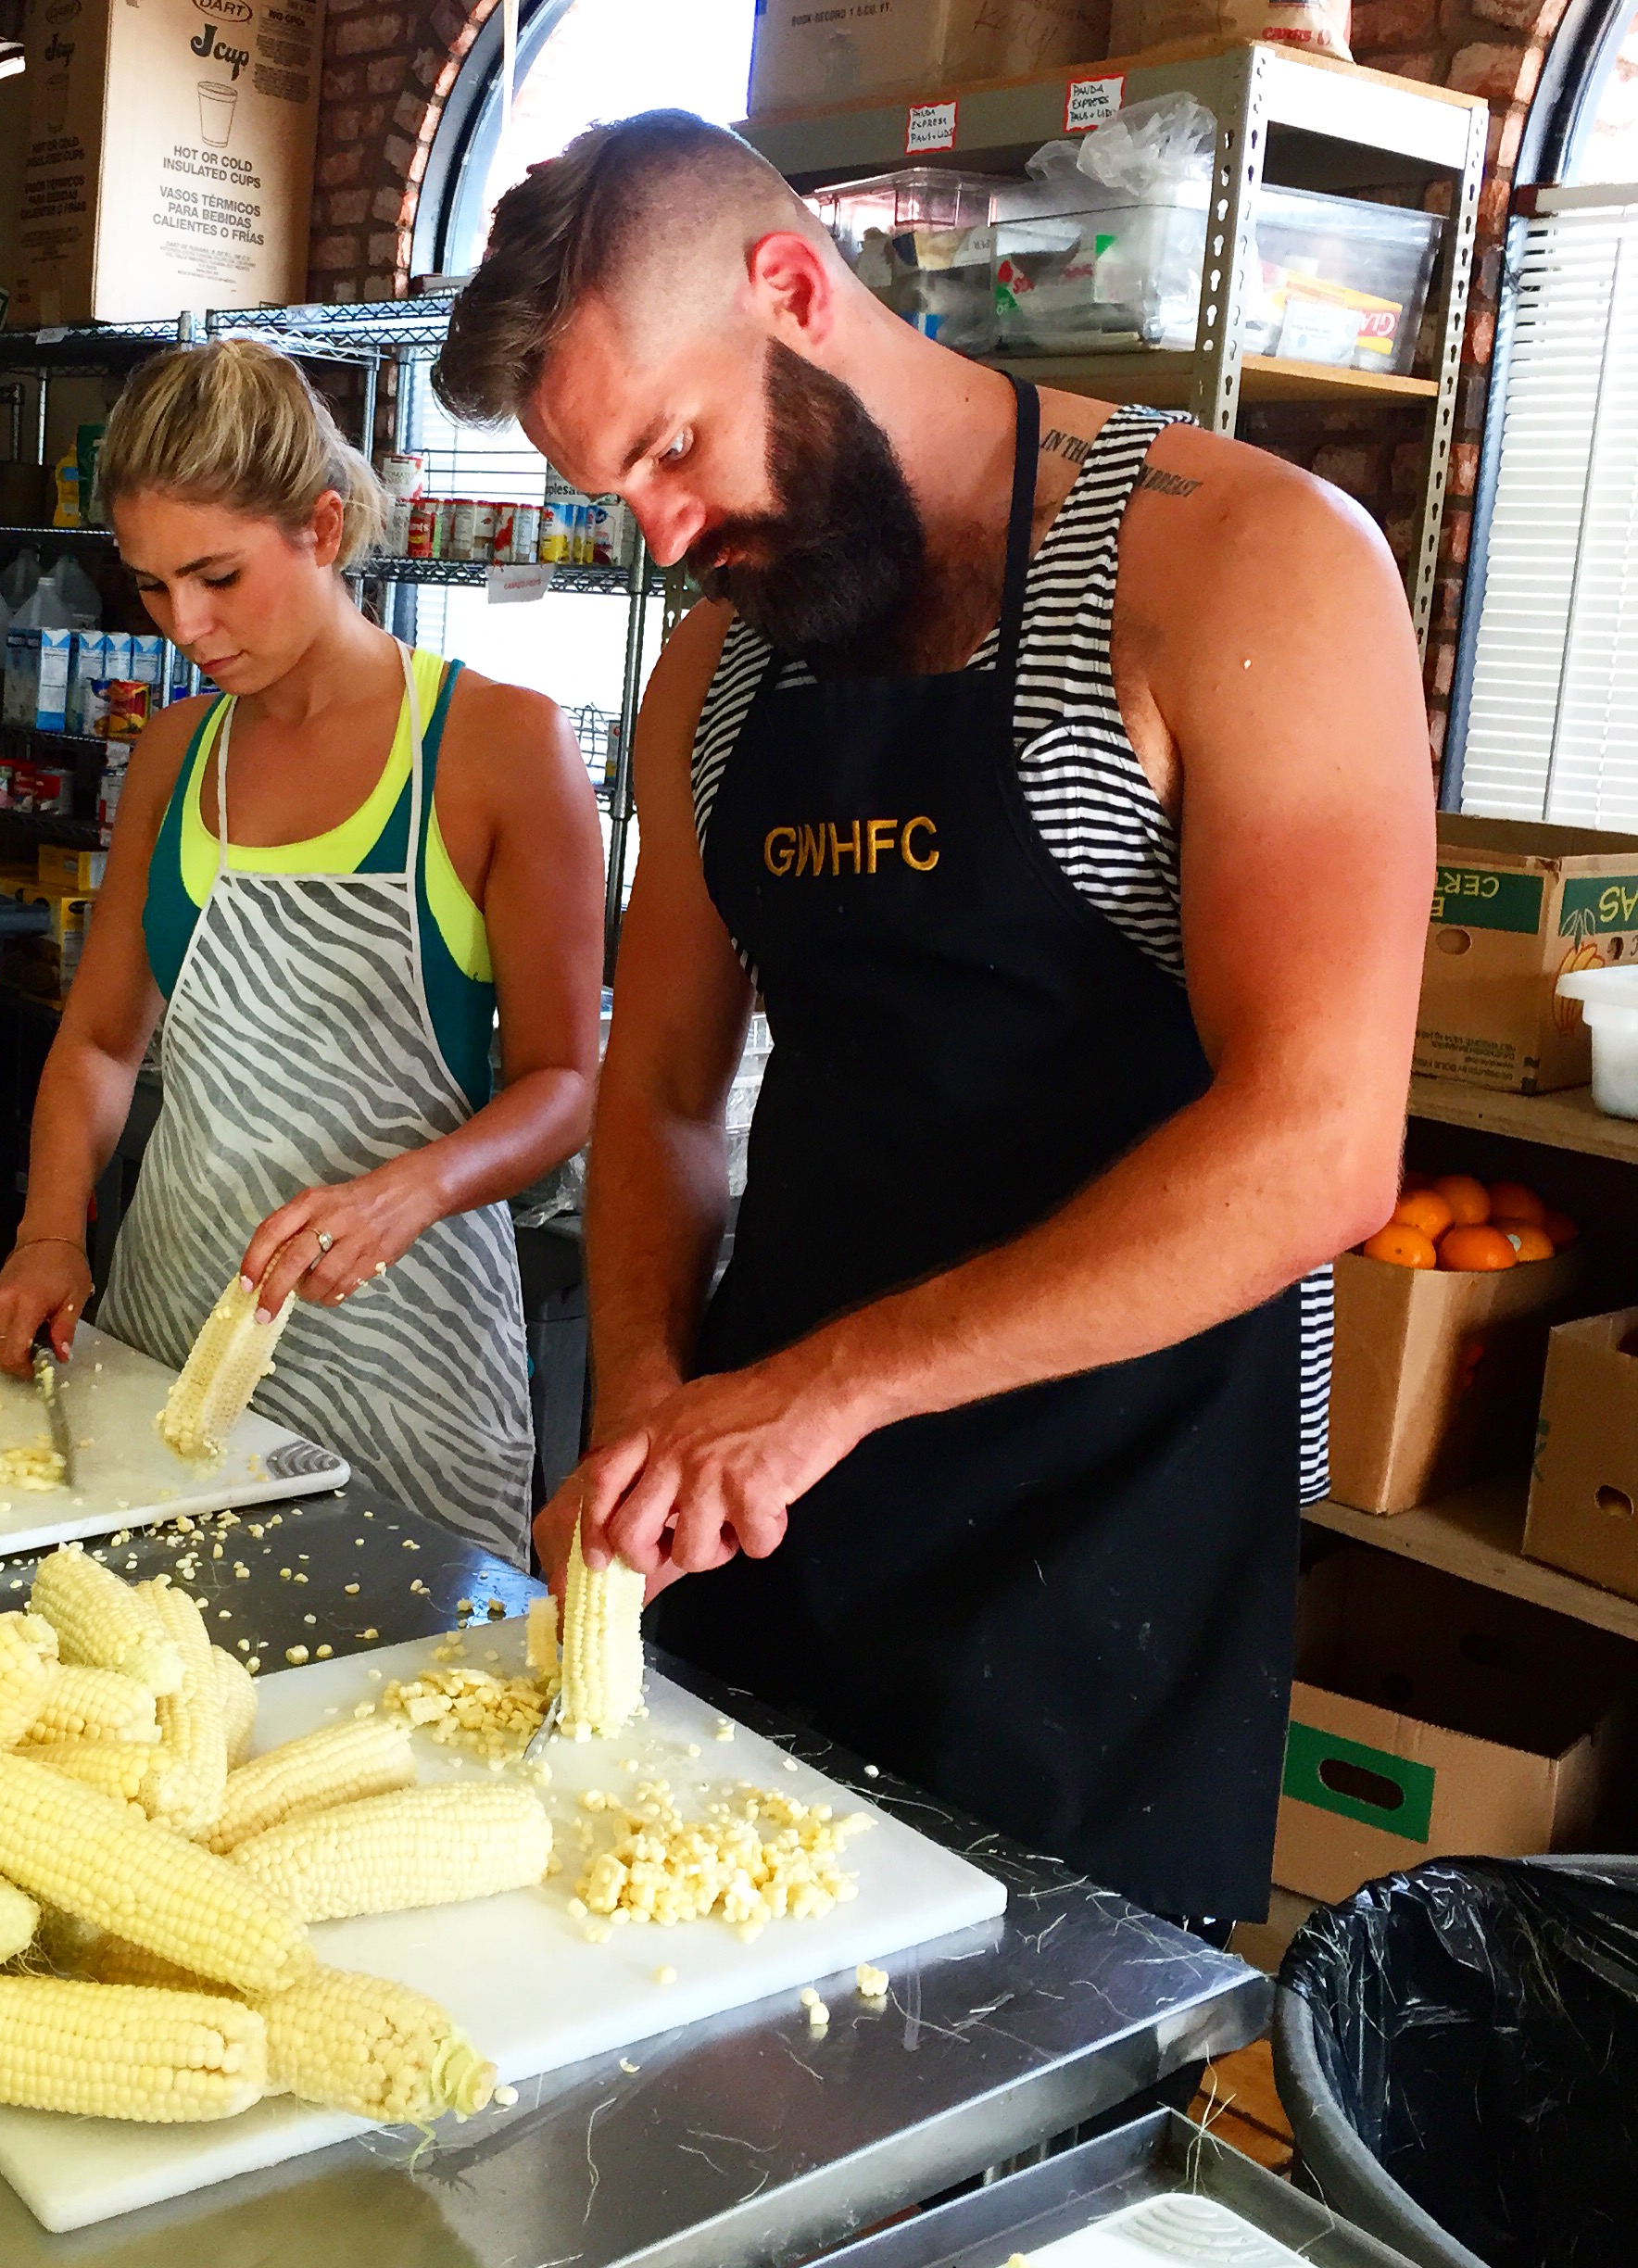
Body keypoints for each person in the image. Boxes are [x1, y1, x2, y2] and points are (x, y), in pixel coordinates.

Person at [432, 112, 1435, 1924]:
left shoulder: (1243, 567)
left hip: (1106, 1569)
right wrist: (651, 1399)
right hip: (778, 1524)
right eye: (617, 494)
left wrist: (822, 1395)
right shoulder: (718, 670)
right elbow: (660, 1085)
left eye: (674, 448)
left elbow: (1321, 1145)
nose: (664, 535)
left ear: (796, 291)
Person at [0, 340, 603, 1557]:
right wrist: (51, 1231)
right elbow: (105, 1040)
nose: (187, 627)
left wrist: (407, 1189)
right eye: (153, 588)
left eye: (217, 575)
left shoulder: (494, 749)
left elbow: (565, 1084)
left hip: (411, 1377)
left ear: (321, 527)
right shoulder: (174, 756)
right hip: (173, 1337)